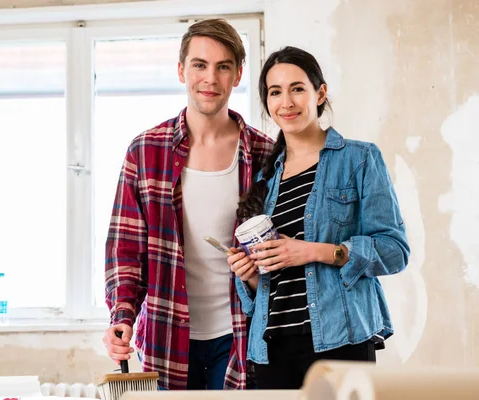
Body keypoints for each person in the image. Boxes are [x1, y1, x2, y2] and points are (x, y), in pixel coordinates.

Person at [103, 18, 275, 390]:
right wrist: (122, 315)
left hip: (241, 336)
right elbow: (125, 249)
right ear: (182, 70)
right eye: (199, 65)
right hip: (166, 336)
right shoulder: (146, 151)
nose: (210, 78)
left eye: (223, 66)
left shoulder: (265, 154)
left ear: (238, 74)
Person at [227, 46, 410, 390]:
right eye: (275, 92)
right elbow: (267, 284)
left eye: (297, 88)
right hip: (271, 348)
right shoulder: (264, 181)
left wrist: (313, 251)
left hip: (341, 340)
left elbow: (394, 250)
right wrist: (249, 275)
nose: (287, 102)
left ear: (320, 92)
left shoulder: (359, 158)